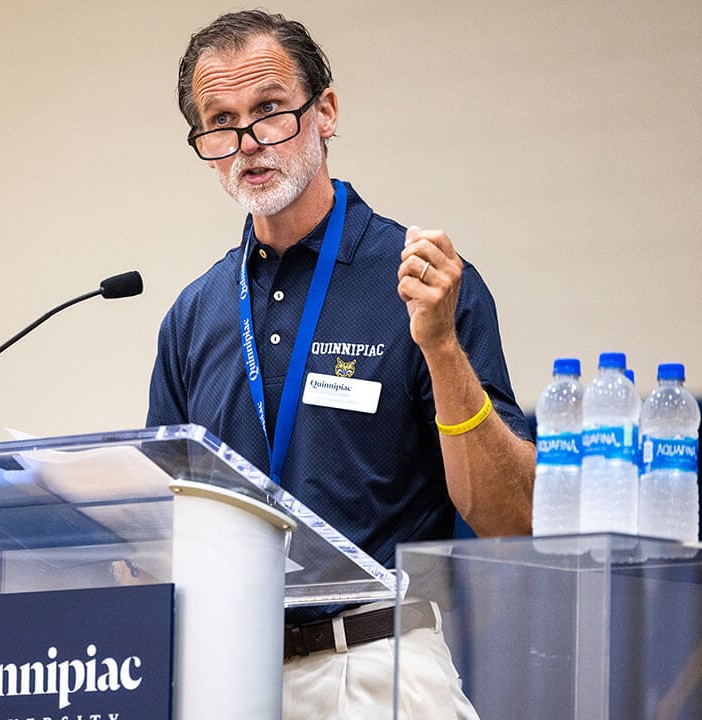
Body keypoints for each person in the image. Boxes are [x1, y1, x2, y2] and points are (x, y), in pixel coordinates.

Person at [146, 9, 537, 720]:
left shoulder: (424, 281)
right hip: (222, 679)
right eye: (221, 122)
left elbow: (511, 516)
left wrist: (440, 345)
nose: (248, 143)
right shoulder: (193, 316)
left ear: (325, 111)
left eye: (270, 111)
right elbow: (160, 531)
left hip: (376, 668)